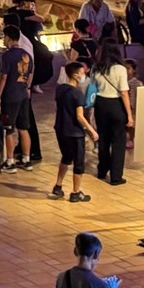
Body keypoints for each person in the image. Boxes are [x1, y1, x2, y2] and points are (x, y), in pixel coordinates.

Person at [51, 60, 99, 204]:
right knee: (78, 163)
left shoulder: (60, 89)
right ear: (75, 75)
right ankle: (76, 192)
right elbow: (79, 116)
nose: (84, 76)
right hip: (74, 133)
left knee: (66, 157)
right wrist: (92, 131)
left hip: (60, 129)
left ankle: (58, 185)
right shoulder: (77, 94)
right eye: (82, 73)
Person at [91, 40, 134, 187]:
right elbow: (124, 92)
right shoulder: (120, 69)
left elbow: (93, 87)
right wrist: (129, 115)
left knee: (103, 138)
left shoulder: (96, 67)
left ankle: (102, 170)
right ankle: (116, 176)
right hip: (115, 104)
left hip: (100, 104)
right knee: (118, 141)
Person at [0, 25, 33, 172]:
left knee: (8, 129)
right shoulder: (27, 55)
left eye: (4, 37)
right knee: (23, 128)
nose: (3, 40)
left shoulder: (8, 56)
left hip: (10, 97)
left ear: (9, 38)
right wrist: (26, 88)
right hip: (23, 96)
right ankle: (26, 160)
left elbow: (3, 77)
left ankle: (10, 162)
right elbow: (30, 75)